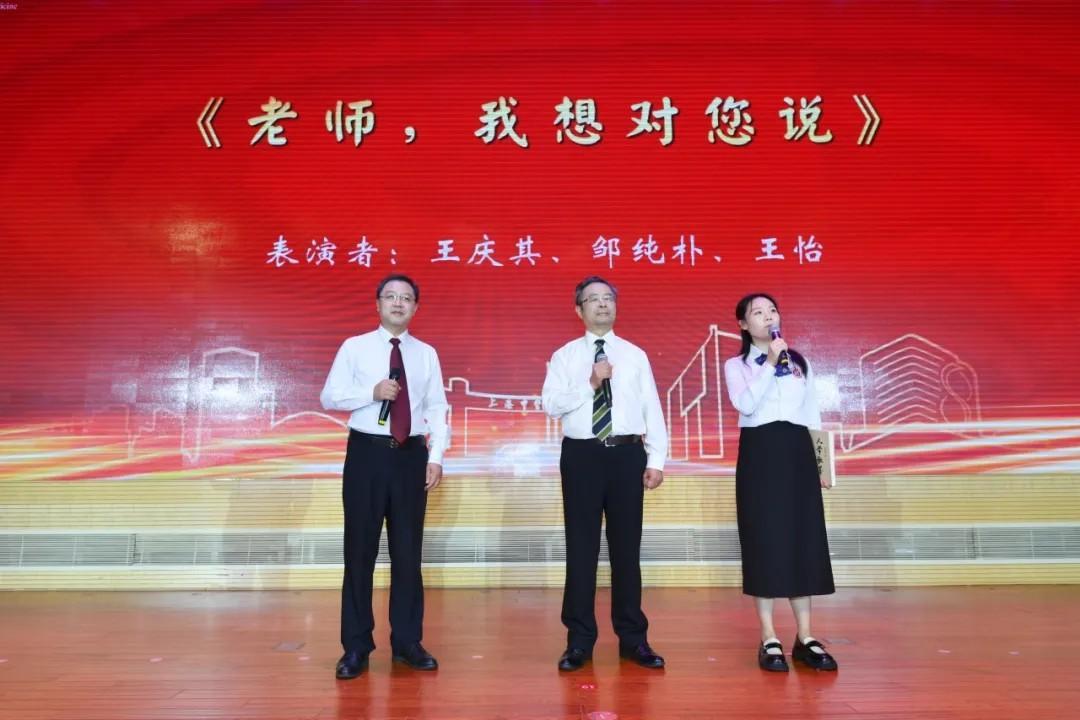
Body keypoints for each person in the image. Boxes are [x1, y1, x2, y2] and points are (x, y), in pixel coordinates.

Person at [320, 274, 450, 679]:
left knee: (408, 554)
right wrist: (371, 393)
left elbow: (437, 407)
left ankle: (408, 643)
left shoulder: (426, 353)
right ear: (377, 304)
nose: (398, 303)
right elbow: (330, 396)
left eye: (406, 298)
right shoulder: (355, 347)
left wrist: (436, 456)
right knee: (359, 552)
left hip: (412, 456)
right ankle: (356, 646)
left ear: (415, 307)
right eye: (390, 296)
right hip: (367, 455)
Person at [541, 275, 668, 672]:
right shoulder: (564, 356)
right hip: (582, 456)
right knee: (581, 550)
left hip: (627, 454)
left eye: (608, 298)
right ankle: (579, 641)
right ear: (578, 310)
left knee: (627, 550)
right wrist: (590, 383)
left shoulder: (635, 355)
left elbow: (652, 408)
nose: (601, 304)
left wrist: (656, 459)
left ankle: (633, 639)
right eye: (593, 299)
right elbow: (550, 404)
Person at [723, 292, 837, 672]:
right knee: (765, 539)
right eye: (758, 312)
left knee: (803, 538)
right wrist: (770, 363)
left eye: (772, 310)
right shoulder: (736, 365)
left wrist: (822, 465)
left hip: (797, 451)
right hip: (760, 452)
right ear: (743, 324)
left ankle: (806, 636)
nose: (768, 316)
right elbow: (746, 405)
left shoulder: (800, 362)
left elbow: (812, 413)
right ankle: (768, 635)